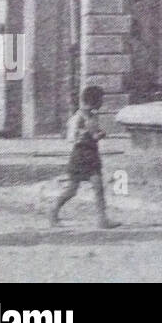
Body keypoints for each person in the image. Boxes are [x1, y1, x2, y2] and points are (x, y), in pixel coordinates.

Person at [50, 85, 115, 228]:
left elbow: (94, 132)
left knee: (98, 187)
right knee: (72, 190)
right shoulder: (78, 118)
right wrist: (91, 136)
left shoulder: (93, 115)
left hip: (92, 155)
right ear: (94, 101)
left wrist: (97, 134)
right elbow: (71, 137)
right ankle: (53, 212)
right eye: (101, 100)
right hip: (80, 156)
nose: (102, 103)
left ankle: (102, 220)